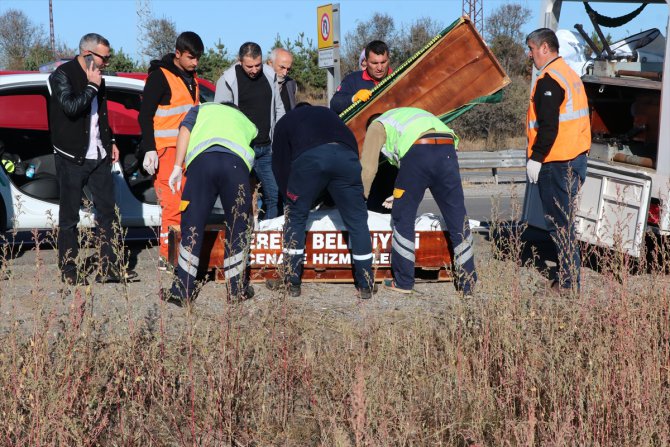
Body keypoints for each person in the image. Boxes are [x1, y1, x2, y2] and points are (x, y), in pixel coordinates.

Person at [49, 33, 137, 285]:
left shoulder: (99, 77)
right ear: (88, 54)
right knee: (69, 216)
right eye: (104, 58)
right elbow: (71, 107)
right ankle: (69, 268)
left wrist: (110, 141)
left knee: (108, 212)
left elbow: (102, 115)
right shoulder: (63, 75)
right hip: (71, 156)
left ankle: (109, 266)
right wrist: (91, 86)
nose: (107, 63)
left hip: (99, 154)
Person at [361, 107, 477, 295]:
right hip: (447, 149)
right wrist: (398, 193)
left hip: (419, 151)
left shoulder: (376, 125)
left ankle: (404, 282)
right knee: (457, 219)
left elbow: (368, 168)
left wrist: (361, 197)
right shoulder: (409, 116)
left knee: (402, 217)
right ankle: (468, 284)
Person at [267, 104, 376, 299]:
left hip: (310, 159)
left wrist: (290, 197)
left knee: (296, 218)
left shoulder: (286, 121)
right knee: (358, 221)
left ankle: (291, 282)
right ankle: (366, 283)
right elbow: (350, 146)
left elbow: (280, 164)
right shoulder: (330, 115)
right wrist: (331, 196)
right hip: (346, 158)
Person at [162, 102, 257, 307]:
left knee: (192, 226)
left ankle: (182, 291)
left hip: (202, 164)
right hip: (235, 167)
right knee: (237, 229)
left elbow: (185, 130)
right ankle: (237, 290)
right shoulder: (245, 120)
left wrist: (177, 166)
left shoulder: (201, 109)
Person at [525, 28, 590, 294]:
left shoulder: (549, 79)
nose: (529, 54)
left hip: (556, 161)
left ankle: (567, 283)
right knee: (566, 222)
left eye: (531, 48)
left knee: (559, 225)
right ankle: (567, 279)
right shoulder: (569, 74)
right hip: (575, 157)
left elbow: (549, 126)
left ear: (544, 48)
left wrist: (536, 159)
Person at [138, 31, 203, 270]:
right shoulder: (160, 77)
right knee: (173, 207)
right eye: (190, 57)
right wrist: (149, 149)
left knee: (187, 205)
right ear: (177, 54)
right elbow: (145, 115)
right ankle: (168, 257)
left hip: (187, 152)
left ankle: (182, 254)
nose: (195, 62)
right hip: (166, 152)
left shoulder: (191, 77)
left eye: (197, 58)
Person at [214, 42, 285, 219]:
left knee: (274, 195)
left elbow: (279, 108)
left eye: (257, 65)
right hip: (241, 150)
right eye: (249, 66)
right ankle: (242, 239)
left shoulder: (270, 76)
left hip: (266, 149)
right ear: (240, 62)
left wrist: (280, 137)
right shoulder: (227, 81)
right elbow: (220, 117)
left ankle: (269, 238)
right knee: (241, 198)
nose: (254, 70)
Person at [330, 40, 392, 115]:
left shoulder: (399, 78)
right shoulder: (353, 79)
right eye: (374, 63)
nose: (380, 68)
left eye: (383, 62)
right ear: (366, 62)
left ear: (388, 60)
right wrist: (354, 98)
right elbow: (334, 103)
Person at [268, 47, 297, 112]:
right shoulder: (258, 81)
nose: (285, 73)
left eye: (288, 69)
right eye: (282, 67)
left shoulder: (291, 84)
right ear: (270, 63)